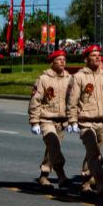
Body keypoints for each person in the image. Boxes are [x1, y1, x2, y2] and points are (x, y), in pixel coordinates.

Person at [66, 45, 103, 197]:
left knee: (95, 154)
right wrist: (72, 120)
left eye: (99, 54)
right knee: (93, 151)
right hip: (85, 122)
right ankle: (101, 182)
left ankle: (85, 181)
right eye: (94, 55)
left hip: (102, 122)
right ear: (86, 59)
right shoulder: (79, 77)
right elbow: (72, 101)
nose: (98, 57)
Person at [28, 50, 74, 189]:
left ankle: (44, 175)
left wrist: (73, 120)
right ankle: (61, 176)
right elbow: (35, 101)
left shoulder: (70, 79)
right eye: (59, 59)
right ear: (52, 62)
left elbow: (74, 100)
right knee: (54, 145)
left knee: (53, 149)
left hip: (62, 120)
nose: (62, 62)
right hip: (46, 119)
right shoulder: (43, 79)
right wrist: (34, 122)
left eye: (64, 59)